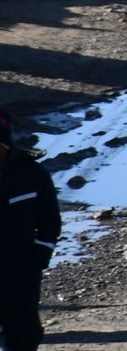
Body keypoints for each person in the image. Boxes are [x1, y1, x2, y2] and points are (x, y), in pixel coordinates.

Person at [0, 110, 60, 351]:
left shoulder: (33, 175)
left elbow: (50, 221)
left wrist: (39, 257)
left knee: (23, 335)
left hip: (21, 270)